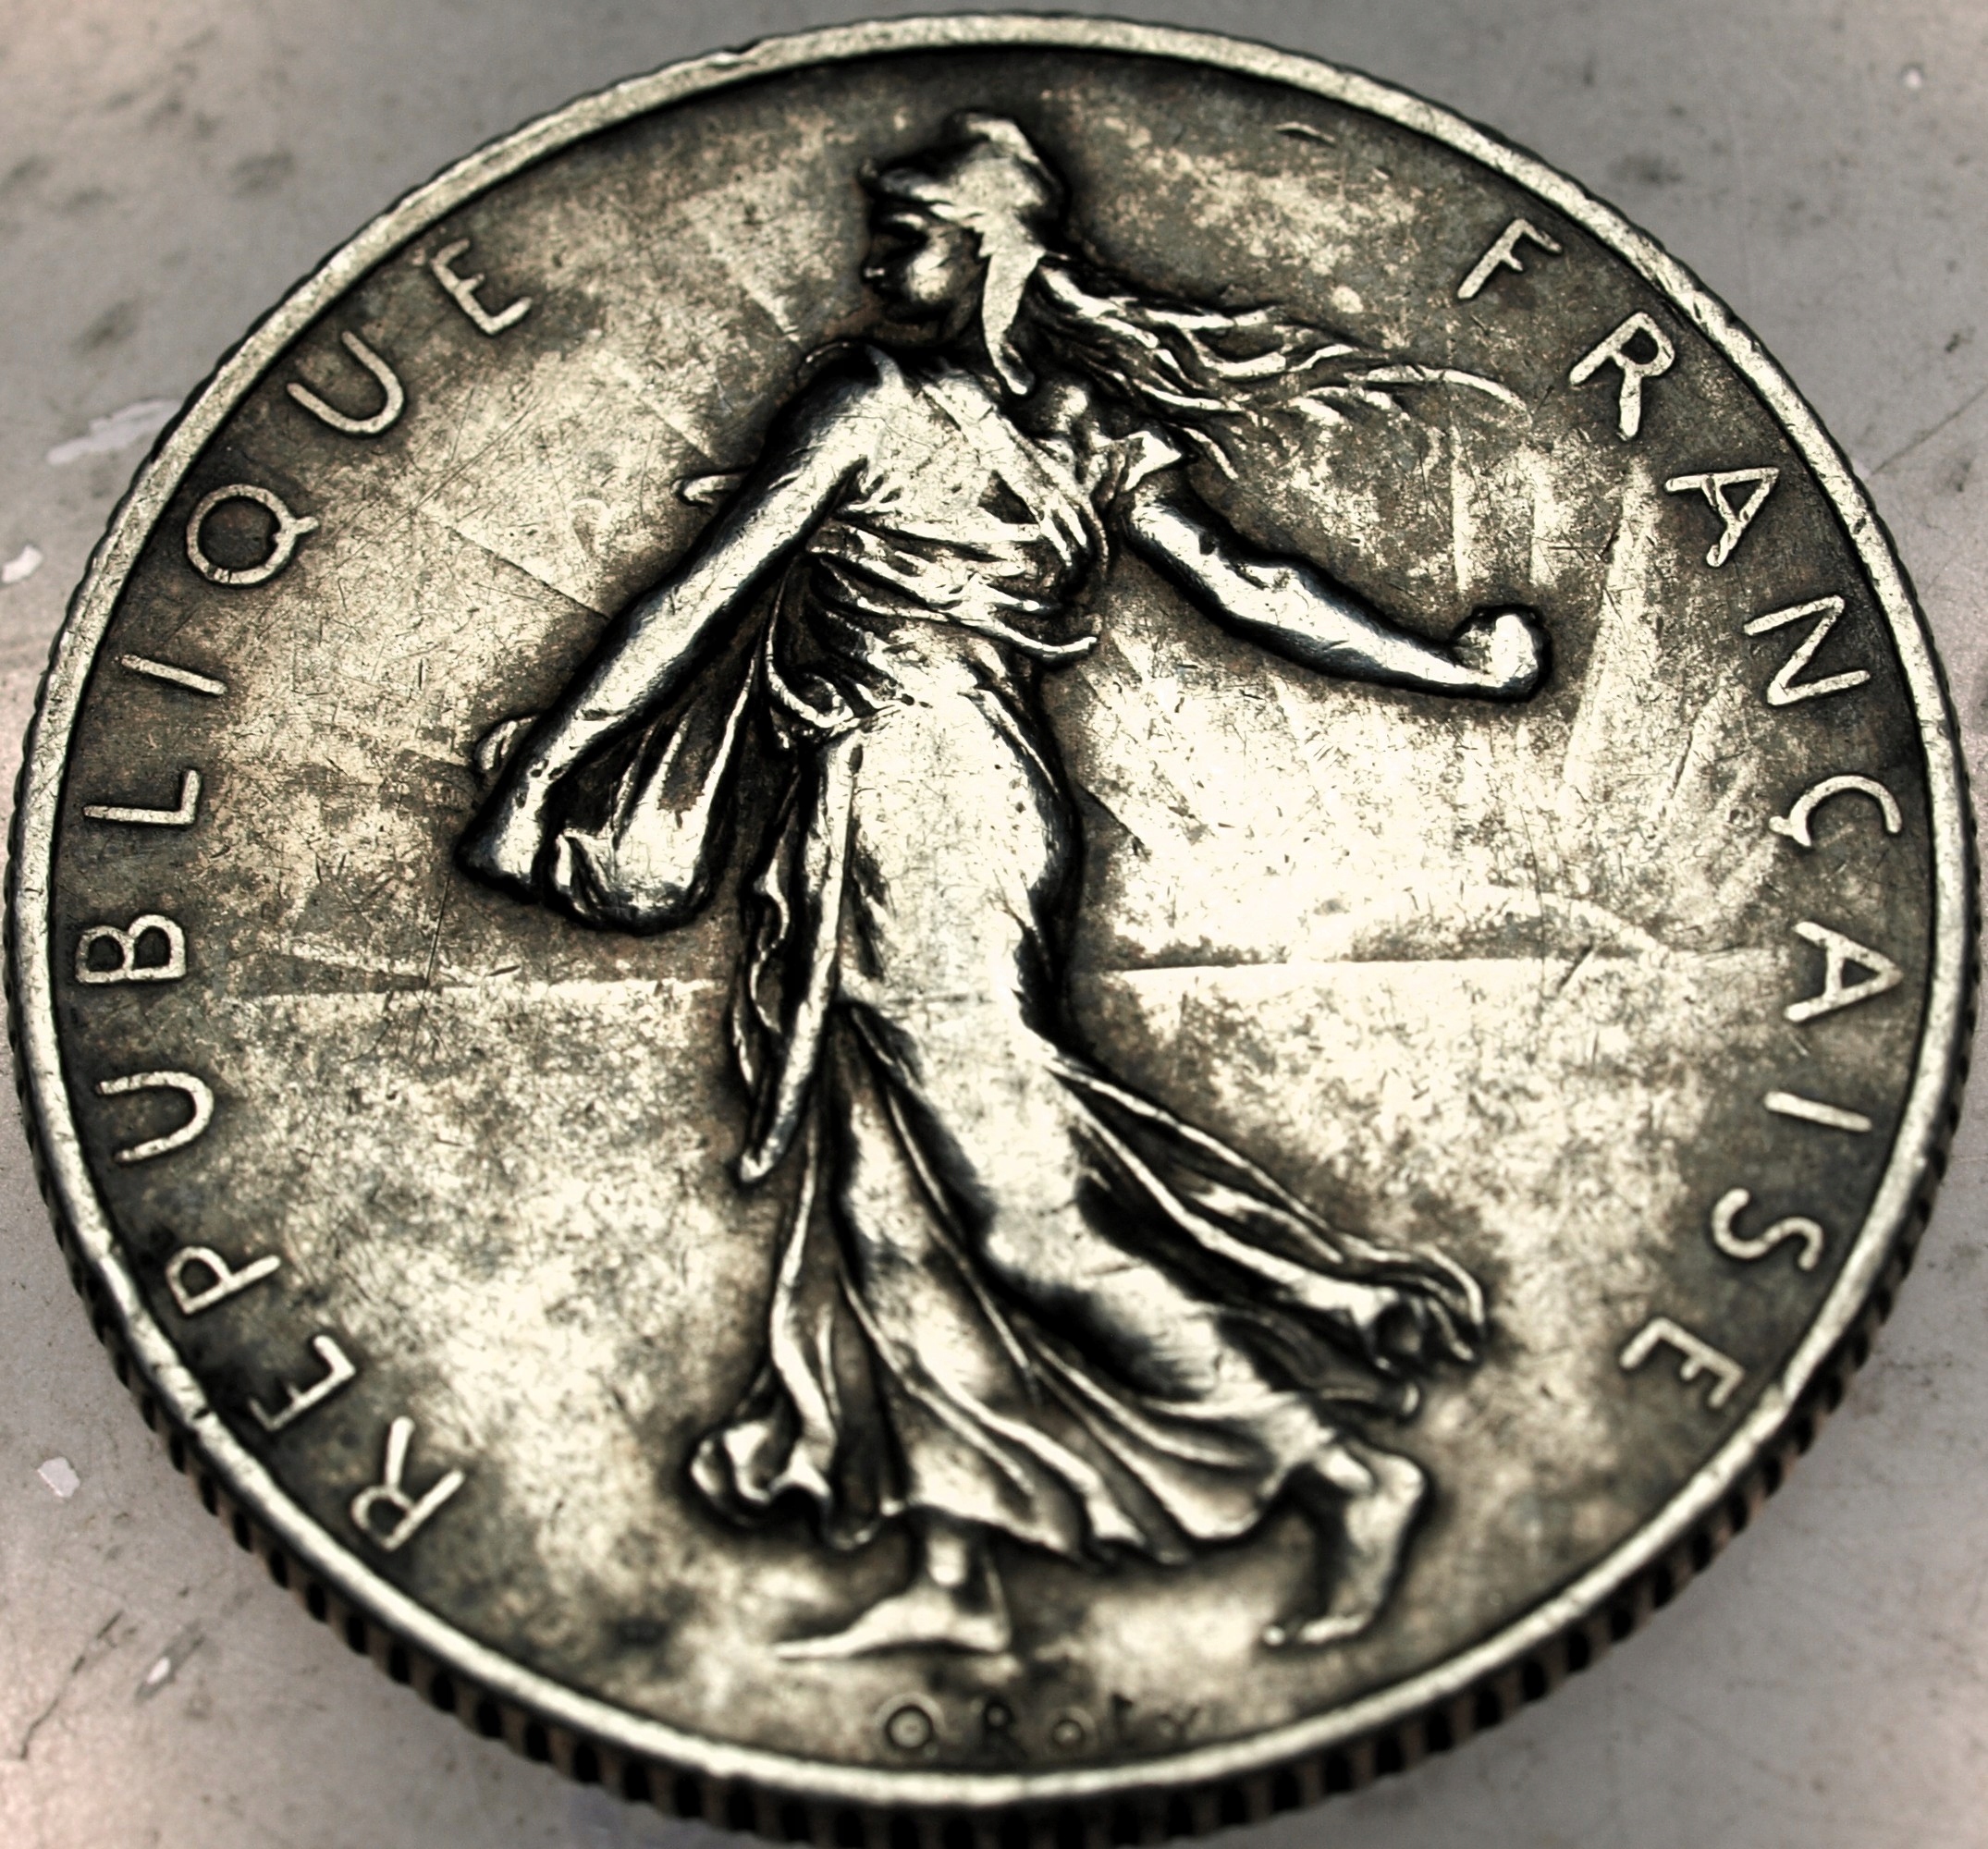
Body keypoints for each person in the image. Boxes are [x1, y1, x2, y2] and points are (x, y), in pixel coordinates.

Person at [459, 114, 1548, 1659]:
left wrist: (540, 781)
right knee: (882, 1190)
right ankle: (956, 1568)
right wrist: (1448, 667)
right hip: (933, 799)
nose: (869, 266)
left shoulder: (876, 403)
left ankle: (1337, 1470)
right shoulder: (1086, 426)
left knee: (1019, 1209)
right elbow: (1249, 587)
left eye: (904, 235)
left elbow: (696, 599)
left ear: (986, 250)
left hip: (924, 808)